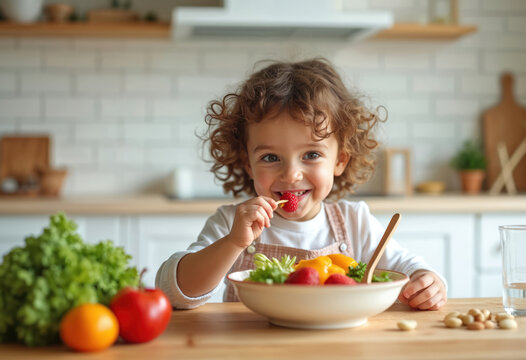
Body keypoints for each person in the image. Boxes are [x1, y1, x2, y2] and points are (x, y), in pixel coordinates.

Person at [156, 58, 447, 310]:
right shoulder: (230, 224)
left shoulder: (354, 221)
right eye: (271, 157)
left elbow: (409, 268)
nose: (291, 174)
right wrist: (233, 243)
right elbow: (176, 292)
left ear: (340, 160)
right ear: (247, 162)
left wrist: (428, 280)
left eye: (311, 154)